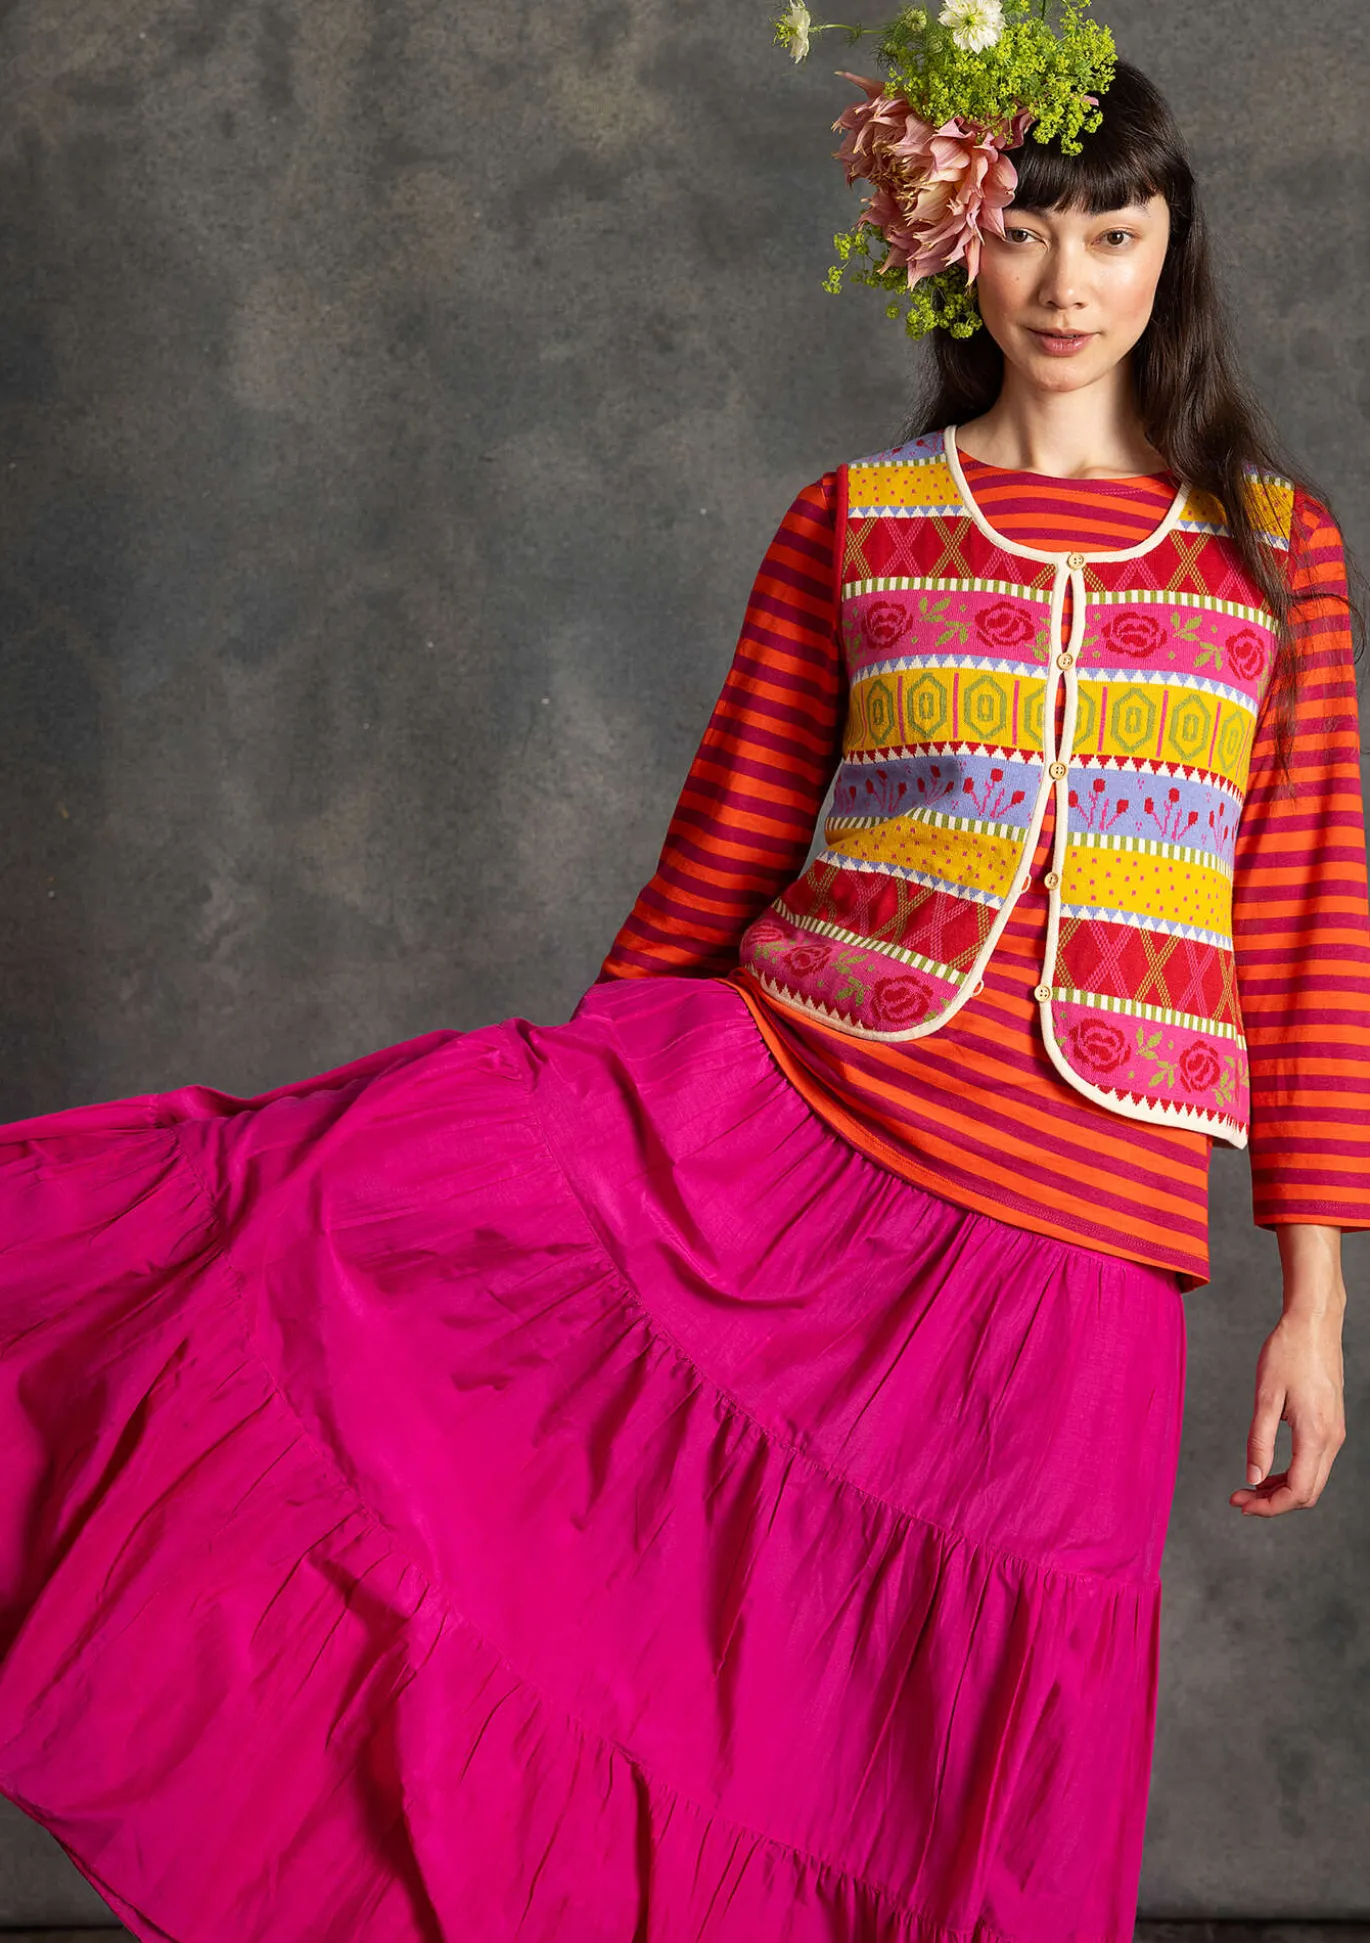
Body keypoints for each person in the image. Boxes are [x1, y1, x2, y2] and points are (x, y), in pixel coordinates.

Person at [0, 10, 1364, 1943]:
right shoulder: (856, 520)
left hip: (1082, 1243)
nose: (1068, 285)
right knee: (399, 1329)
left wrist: (1314, 1298)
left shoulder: (1270, 556)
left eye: (1114, 235)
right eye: (1022, 231)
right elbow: (720, 857)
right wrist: (571, 1138)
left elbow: (1302, 930)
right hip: (782, 1133)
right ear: (952, 246)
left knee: (957, 1750)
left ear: (1170, 249)